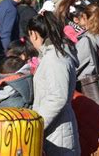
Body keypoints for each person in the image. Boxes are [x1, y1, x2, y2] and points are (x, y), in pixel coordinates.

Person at [27, 12, 80, 155]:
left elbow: (57, 97)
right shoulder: (52, 55)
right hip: (54, 129)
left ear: (35, 34)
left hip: (57, 133)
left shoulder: (54, 58)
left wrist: (34, 125)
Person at [75, 4, 99, 80]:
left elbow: (74, 67)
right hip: (96, 82)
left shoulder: (87, 41)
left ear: (85, 17)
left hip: (82, 86)